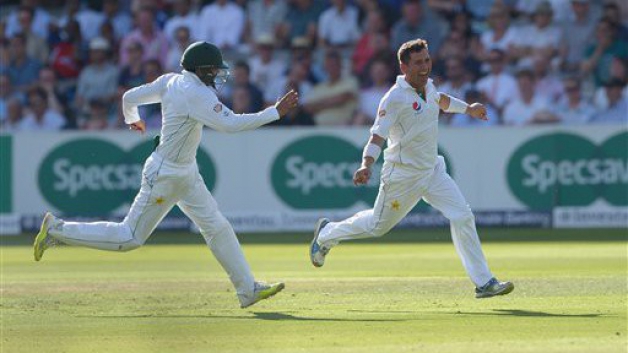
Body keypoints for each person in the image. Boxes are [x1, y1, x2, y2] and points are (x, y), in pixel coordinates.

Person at [33, 41, 299, 309]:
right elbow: (230, 125)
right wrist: (274, 112)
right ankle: (57, 230)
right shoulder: (197, 94)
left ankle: (247, 290)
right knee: (129, 237)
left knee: (217, 227)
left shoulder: (170, 81)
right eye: (215, 70)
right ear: (202, 69)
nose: (219, 75)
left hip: (185, 172)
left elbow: (129, 98)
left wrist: (132, 120)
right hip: (166, 175)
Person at [309, 39, 514, 299]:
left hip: (432, 171)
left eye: (427, 60)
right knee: (376, 226)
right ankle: (327, 234)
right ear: (403, 66)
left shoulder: (428, 85)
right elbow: (376, 137)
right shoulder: (393, 98)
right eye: (418, 63)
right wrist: (366, 164)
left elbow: (440, 100)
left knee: (463, 216)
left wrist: (468, 109)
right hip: (402, 176)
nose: (425, 66)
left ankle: (484, 282)